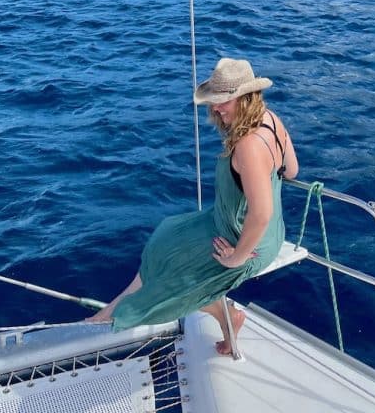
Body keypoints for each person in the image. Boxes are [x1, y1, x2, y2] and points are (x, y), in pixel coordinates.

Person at [88, 57, 298, 355]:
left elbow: (261, 214)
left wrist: (236, 258)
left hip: (246, 243)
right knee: (165, 238)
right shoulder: (271, 119)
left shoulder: (249, 145)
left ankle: (112, 314)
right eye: (214, 100)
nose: (216, 108)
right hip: (242, 227)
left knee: (175, 273)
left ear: (246, 97)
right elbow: (292, 171)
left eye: (224, 101)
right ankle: (114, 307)